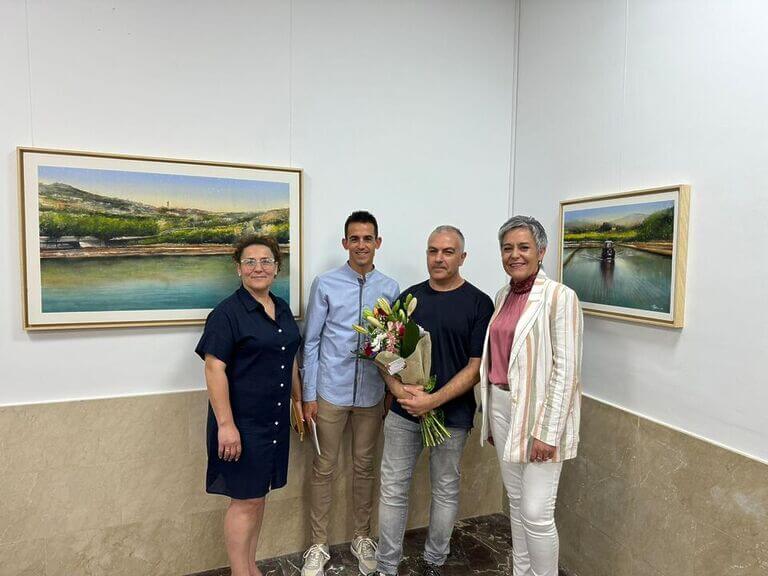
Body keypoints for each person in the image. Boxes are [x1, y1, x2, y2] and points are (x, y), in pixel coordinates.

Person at [376, 225, 494, 576]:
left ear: (462, 257)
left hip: (452, 415)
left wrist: (434, 400)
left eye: (447, 251)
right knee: (393, 489)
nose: (439, 258)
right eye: (433, 251)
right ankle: (386, 566)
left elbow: (475, 368)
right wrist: (397, 390)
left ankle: (434, 561)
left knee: (445, 489)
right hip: (403, 412)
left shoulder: (479, 303)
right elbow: (385, 354)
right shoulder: (409, 298)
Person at [479, 216, 583, 576]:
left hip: (540, 417)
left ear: (541, 251)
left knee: (537, 512)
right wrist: (492, 415)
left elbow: (566, 370)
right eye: (507, 248)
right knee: (517, 503)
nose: (514, 255)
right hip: (503, 407)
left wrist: (548, 432)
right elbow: (498, 361)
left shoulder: (560, 297)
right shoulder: (502, 295)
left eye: (523, 247)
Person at [195, 235, 303, 576]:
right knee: (244, 500)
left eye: (266, 261)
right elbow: (214, 368)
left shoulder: (281, 307)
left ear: (277, 268)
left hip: (273, 422)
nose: (259, 268)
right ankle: (241, 572)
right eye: (250, 262)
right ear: (239, 268)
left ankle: (249, 566)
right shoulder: (227, 314)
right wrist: (226, 426)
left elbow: (290, 357)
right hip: (241, 425)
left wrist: (298, 401)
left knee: (258, 497)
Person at [301, 211, 399, 576]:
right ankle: (318, 544)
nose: (361, 245)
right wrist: (310, 393)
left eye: (367, 238)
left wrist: (392, 389)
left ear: (378, 242)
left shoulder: (389, 287)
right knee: (324, 467)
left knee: (364, 467)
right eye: (354, 239)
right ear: (345, 243)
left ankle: (362, 536)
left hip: (372, 395)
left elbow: (393, 346)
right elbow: (310, 342)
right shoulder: (325, 284)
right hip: (329, 392)